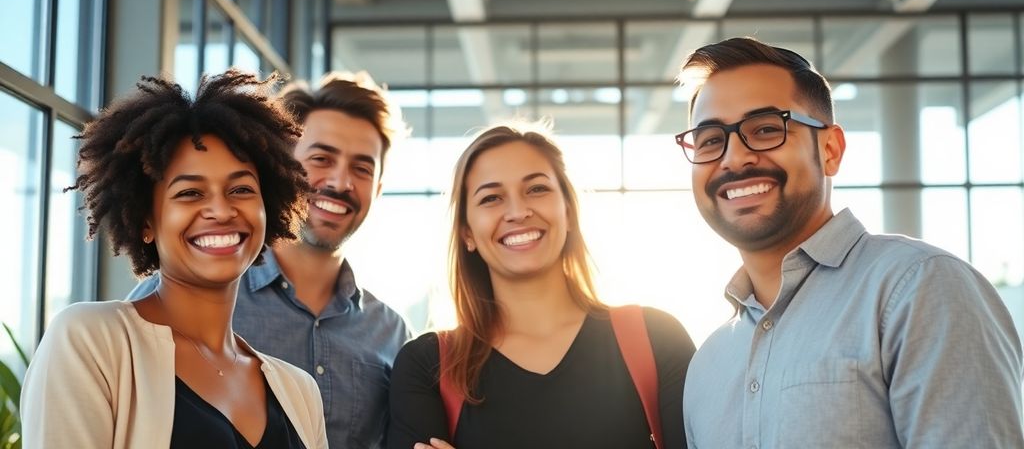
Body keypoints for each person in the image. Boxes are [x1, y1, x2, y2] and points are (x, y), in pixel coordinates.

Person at [677, 37, 1024, 448]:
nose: (734, 158)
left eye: (766, 129)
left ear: (830, 149)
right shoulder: (707, 366)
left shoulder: (919, 288)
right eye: (711, 140)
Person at [20, 70, 328, 448]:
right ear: (146, 220)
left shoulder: (300, 391)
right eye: (190, 193)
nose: (220, 209)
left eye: (241, 188)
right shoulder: (91, 342)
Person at [127, 70, 412, 448]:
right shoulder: (173, 301)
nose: (341, 182)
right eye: (322, 158)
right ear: (282, 165)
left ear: (377, 188)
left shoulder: (391, 333)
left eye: (362, 168)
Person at [387, 121, 696, 449]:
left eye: (536, 189)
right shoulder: (428, 367)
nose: (518, 212)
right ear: (467, 233)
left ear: (569, 210)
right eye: (491, 197)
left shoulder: (657, 339)